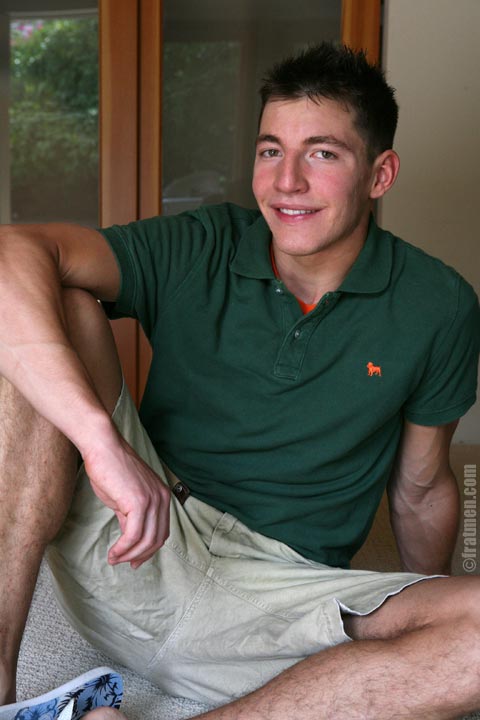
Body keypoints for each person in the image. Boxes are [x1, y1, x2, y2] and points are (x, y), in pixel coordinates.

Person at [0, 41, 479, 720]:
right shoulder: (204, 242)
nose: (286, 182)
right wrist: (102, 446)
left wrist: (423, 620)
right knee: (50, 301)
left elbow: (423, 488)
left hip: (278, 603)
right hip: (133, 539)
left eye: (322, 154)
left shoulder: (439, 305)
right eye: (270, 150)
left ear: (380, 174)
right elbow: (11, 252)